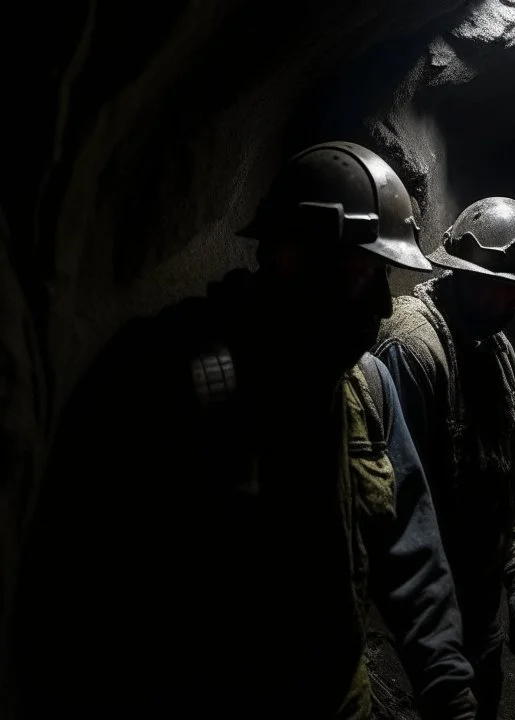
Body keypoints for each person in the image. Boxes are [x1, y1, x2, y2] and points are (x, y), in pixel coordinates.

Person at [11, 142, 477, 720]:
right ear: (292, 259)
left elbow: (413, 550)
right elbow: (77, 593)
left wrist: (448, 686)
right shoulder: (169, 377)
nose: (384, 305)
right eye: (364, 274)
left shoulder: (367, 387)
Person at [374, 196, 515, 720]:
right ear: (464, 273)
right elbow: (396, 513)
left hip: (476, 611)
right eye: (505, 287)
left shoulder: (497, 350)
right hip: (416, 626)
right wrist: (433, 652)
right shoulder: (413, 350)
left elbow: (506, 476)